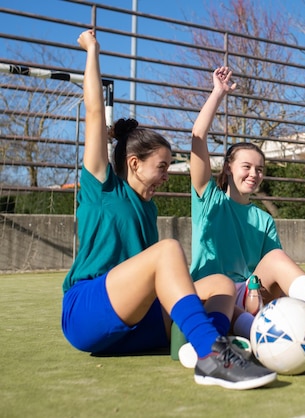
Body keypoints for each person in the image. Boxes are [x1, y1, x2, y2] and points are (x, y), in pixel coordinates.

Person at [61, 30, 276, 390]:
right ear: (133, 163)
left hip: (133, 322)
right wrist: (92, 50)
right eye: (162, 166)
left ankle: (200, 346)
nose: (166, 174)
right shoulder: (102, 188)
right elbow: (95, 113)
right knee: (169, 250)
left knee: (222, 284)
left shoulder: (149, 209)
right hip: (88, 313)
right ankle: (213, 355)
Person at [188, 65, 305, 340]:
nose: (254, 174)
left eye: (259, 169)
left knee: (276, 258)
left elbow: (273, 275)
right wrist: (218, 93)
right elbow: (198, 137)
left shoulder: (264, 219)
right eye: (246, 166)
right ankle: (262, 335)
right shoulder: (209, 200)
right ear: (228, 168)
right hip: (213, 293)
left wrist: (257, 292)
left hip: (250, 295)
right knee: (240, 314)